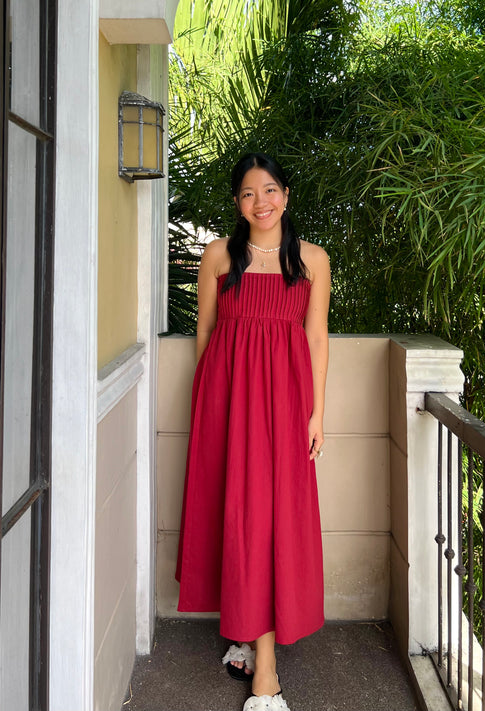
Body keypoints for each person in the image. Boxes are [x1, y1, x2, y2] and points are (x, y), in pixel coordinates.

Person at [175, 152, 330, 711]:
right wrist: (206, 401)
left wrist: (316, 414)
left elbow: (315, 340)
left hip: (286, 404)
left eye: (269, 190)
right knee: (236, 515)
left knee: (272, 521)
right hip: (227, 398)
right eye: (247, 193)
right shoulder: (219, 254)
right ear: (237, 203)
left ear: (286, 195)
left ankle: (263, 661)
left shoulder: (313, 260)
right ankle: (256, 653)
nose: (259, 202)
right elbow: (206, 332)